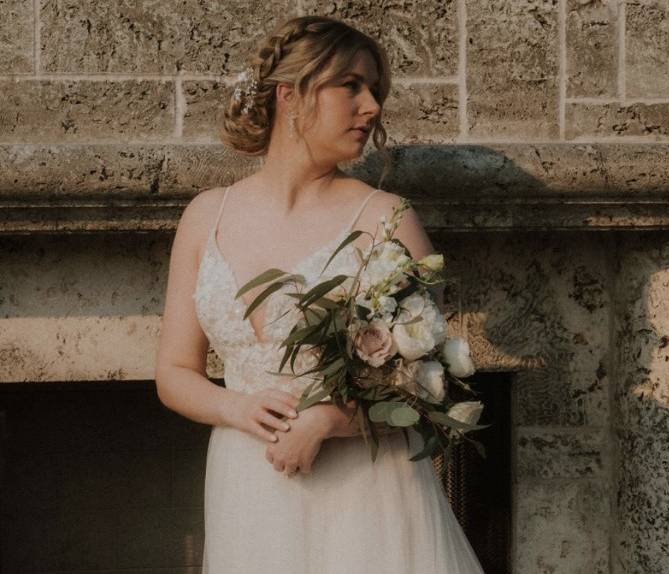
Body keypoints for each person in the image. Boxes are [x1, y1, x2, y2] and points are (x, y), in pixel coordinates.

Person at [155, 15, 486, 574]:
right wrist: (234, 407)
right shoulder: (206, 216)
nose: (372, 107)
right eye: (351, 85)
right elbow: (173, 372)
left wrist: (330, 421)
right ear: (291, 95)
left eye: (374, 90)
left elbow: (433, 392)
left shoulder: (386, 218)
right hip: (249, 481)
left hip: (367, 490)